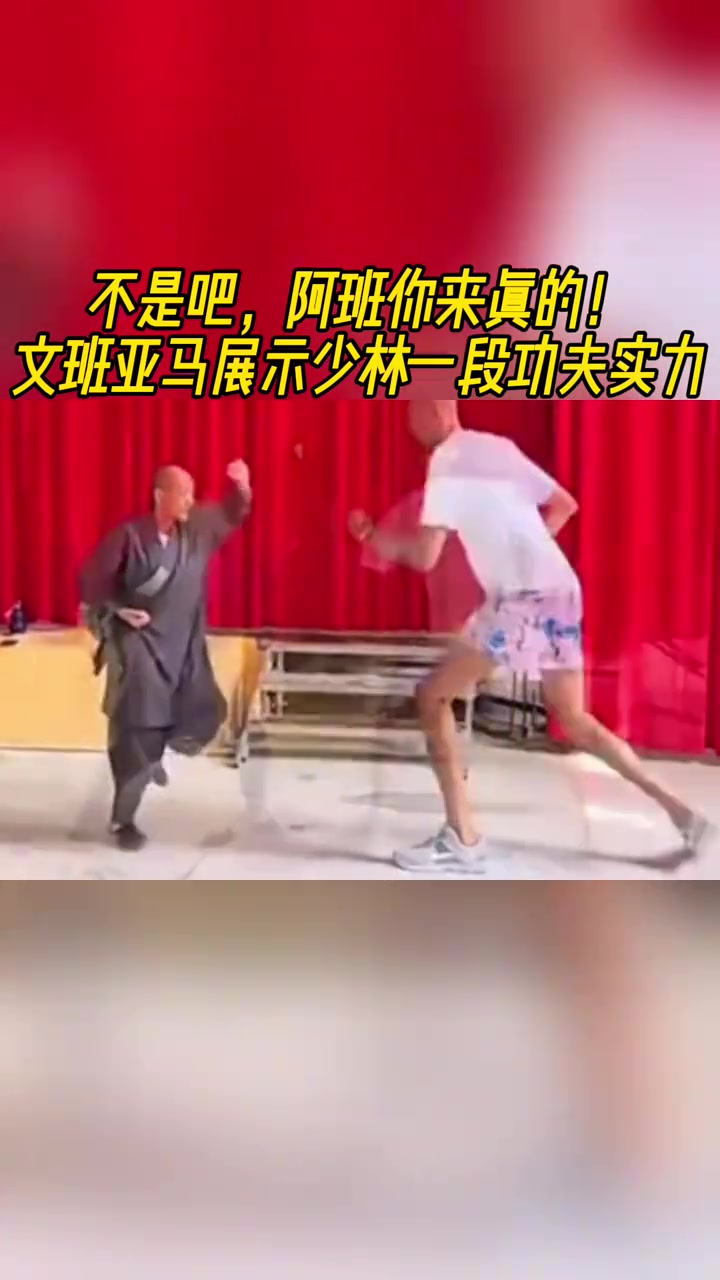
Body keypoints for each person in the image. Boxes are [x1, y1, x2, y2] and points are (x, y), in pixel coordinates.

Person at [348, 401, 711, 874]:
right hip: (560, 589)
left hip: (522, 598)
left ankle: (462, 838)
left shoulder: (446, 462)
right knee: (576, 720)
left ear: (436, 410)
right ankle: (681, 813)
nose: (409, 424)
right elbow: (564, 505)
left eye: (413, 411)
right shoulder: (498, 447)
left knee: (431, 697)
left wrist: (373, 537)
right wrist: (527, 552)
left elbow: (424, 556)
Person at [80, 460, 252, 851]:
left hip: (183, 646)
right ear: (161, 496)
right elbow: (92, 584)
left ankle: (154, 754)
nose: (190, 500)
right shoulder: (129, 537)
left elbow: (232, 513)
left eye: (192, 493)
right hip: (140, 647)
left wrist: (241, 486)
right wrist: (119, 611)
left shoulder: (197, 531)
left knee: (193, 710)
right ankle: (124, 818)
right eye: (183, 493)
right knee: (137, 728)